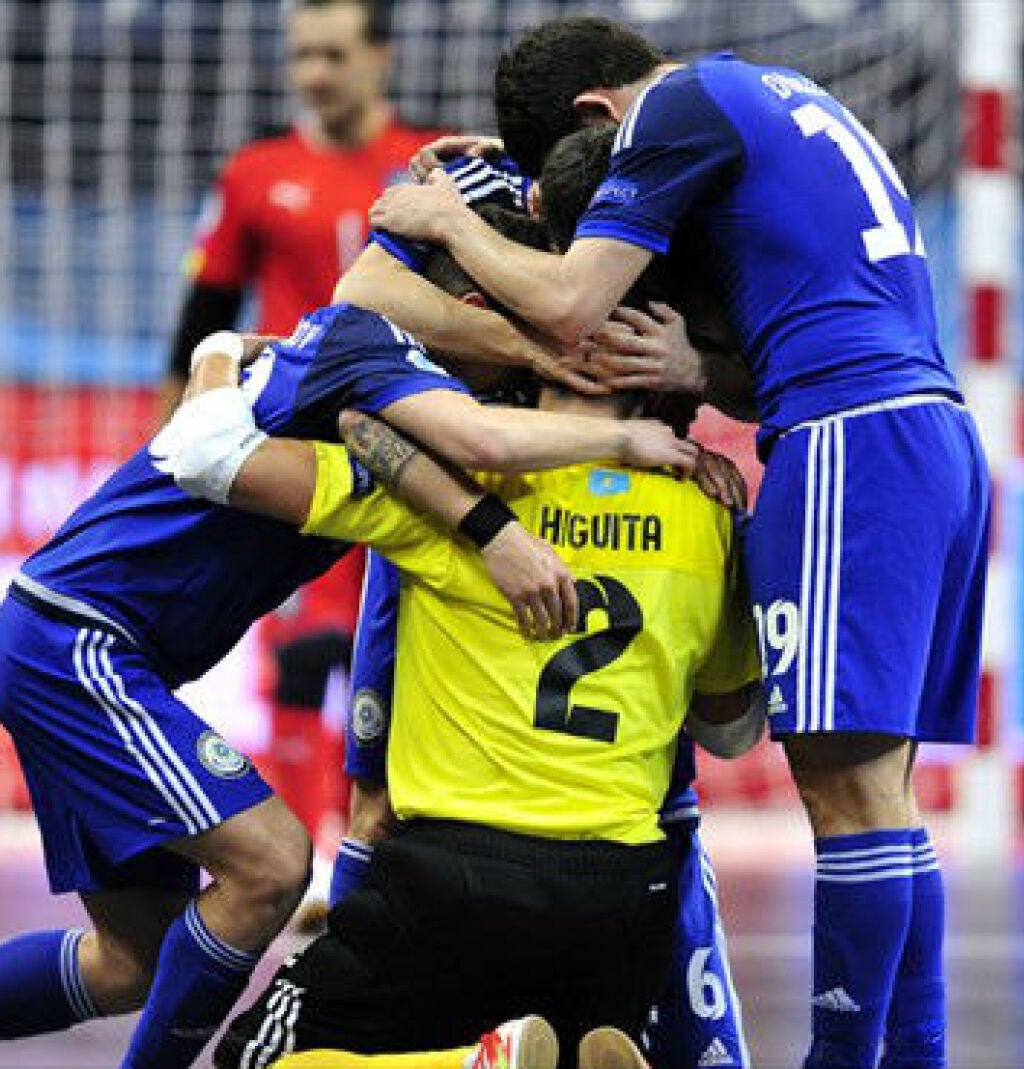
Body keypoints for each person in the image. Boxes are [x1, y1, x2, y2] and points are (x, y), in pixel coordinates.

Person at [0, 303, 700, 1069]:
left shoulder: (368, 371)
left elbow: (349, 420)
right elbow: (390, 435)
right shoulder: (374, 350)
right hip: (81, 639)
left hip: (73, 636)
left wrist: (218, 353)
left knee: (129, 961)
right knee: (268, 865)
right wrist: (589, 463)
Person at [371, 18, 989, 1068]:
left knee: (844, 795)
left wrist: (447, 222)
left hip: (844, 440)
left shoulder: (674, 108)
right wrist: (698, 375)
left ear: (598, 114)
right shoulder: (774, 93)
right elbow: (773, 336)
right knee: (886, 792)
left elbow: (572, 305)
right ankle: (914, 1055)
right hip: (929, 432)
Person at [193, 219, 765, 1069]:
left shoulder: (451, 487)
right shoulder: (709, 513)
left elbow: (220, 458)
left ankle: (470, 1064)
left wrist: (219, 353)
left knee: (254, 1060)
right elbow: (729, 728)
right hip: (625, 894)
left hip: (458, 873)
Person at [330, 142, 756, 1069]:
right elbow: (729, 728)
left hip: (456, 846)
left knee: (276, 1044)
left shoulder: (460, 459)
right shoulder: (710, 506)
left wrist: (486, 517)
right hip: (626, 857)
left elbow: (349, 390)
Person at [163, 0, 440, 860]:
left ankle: (383, 848)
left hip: (411, 443)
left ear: (381, 58)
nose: (315, 74)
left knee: (398, 654)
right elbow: (199, 320)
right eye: (302, 57)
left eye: (333, 54)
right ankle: (299, 855)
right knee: (302, 653)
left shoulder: (427, 168)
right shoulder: (256, 173)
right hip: (288, 442)